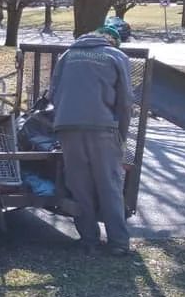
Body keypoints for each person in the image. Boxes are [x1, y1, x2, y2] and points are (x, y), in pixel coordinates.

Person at [49, 24, 134, 256]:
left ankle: (88, 240)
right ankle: (118, 243)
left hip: (67, 127)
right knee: (109, 185)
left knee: (80, 186)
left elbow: (53, 93)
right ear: (112, 40)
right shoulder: (117, 56)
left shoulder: (67, 55)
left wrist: (63, 120)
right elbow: (125, 101)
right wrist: (121, 137)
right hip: (102, 128)